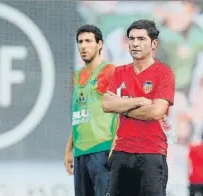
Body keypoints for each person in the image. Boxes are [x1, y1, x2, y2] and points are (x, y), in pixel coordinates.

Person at [102, 19, 175, 196]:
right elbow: (106, 104)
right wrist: (140, 100)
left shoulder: (164, 73)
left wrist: (123, 107)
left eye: (141, 39)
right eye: (131, 39)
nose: (135, 43)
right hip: (121, 152)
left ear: (153, 44)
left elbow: (156, 111)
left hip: (151, 153)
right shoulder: (119, 72)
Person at [64, 24, 118, 196]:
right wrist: (69, 149)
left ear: (100, 44)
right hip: (80, 152)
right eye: (80, 42)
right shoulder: (77, 76)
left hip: (102, 150)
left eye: (88, 41)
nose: (83, 46)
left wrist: (115, 148)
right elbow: (79, 115)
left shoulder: (109, 71)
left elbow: (120, 112)